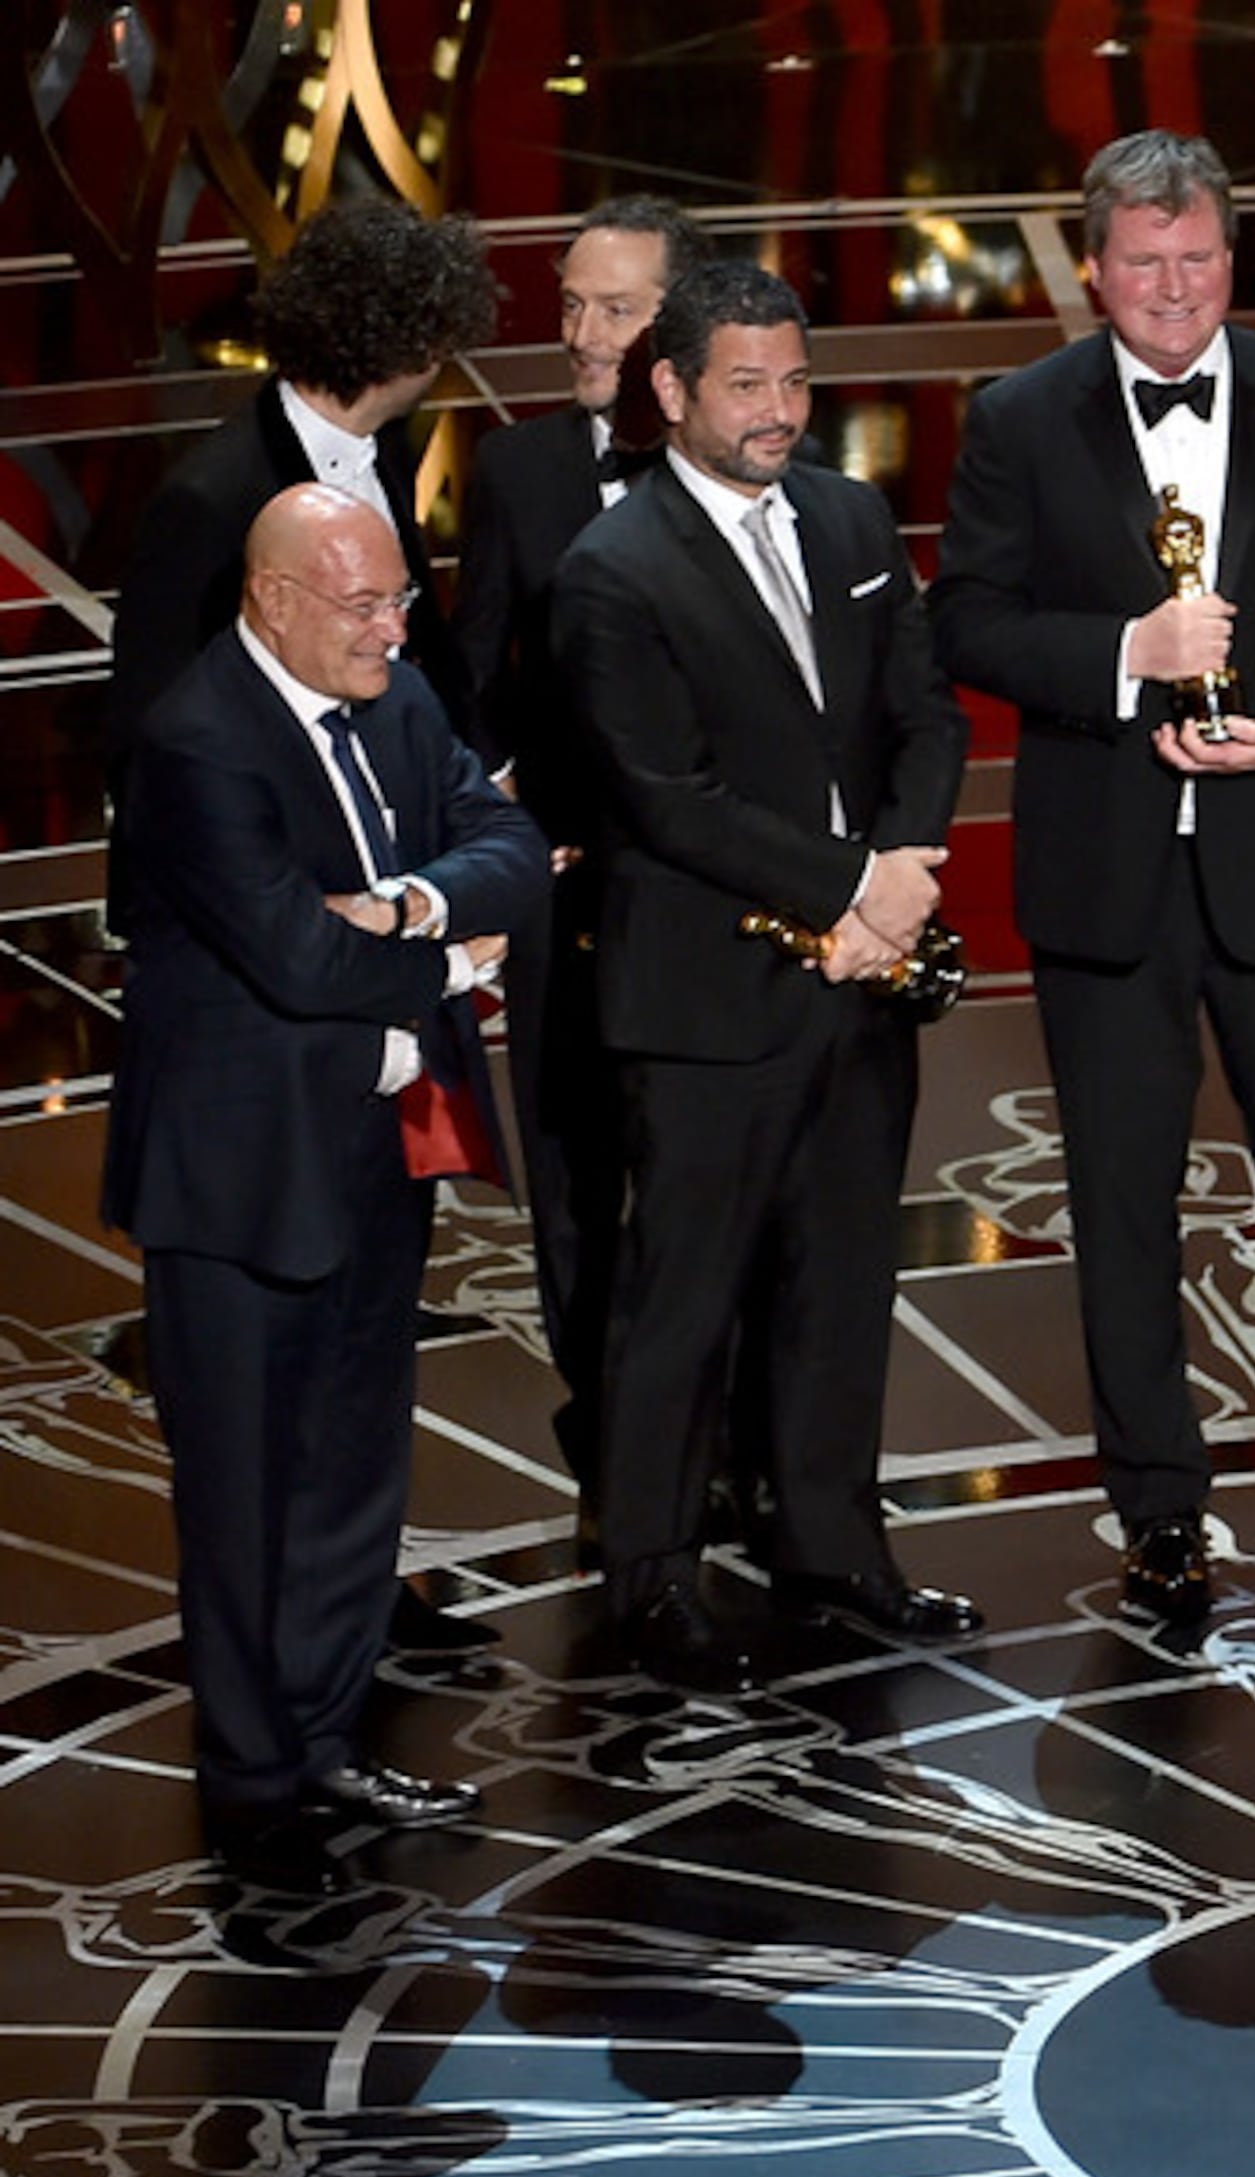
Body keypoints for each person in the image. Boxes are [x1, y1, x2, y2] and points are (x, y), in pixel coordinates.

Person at [932, 129, 1255, 1628]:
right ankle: (1160, 1512)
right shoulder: (1018, 418)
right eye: (1145, 263)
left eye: (1199, 259)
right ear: (1094, 267)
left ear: (1234, 256)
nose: (1174, 288)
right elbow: (965, 620)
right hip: (1107, 892)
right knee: (1125, 1213)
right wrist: (1122, 658)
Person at [100, 486, 548, 1890]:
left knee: (355, 1467)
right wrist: (455, 958)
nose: (391, 628)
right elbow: (294, 961)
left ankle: (327, 1731)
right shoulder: (195, 744)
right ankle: (251, 1782)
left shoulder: (398, 694)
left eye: (401, 599)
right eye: (360, 605)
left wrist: (416, 906)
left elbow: (512, 849)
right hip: (238, 1180)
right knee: (245, 1493)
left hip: (373, 1150)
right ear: (273, 598)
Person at [554, 259, 981, 1684]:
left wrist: (904, 870)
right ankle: (654, 1579)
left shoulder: (854, 518)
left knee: (842, 1280)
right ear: (670, 391)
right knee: (683, 1299)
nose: (781, 410)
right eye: (749, 384)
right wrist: (857, 886)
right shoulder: (612, 571)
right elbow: (665, 796)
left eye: (795, 381)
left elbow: (925, 713)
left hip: (860, 986)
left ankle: (833, 1547)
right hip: (706, 1006)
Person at [103, 194, 508, 1661]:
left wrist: (433, 882)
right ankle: (283, 1699)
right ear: (403, 341)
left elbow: (415, 715)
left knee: (349, 1375)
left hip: (369, 1000)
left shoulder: (372, 465)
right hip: (253, 1022)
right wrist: (394, 929)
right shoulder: (221, 501)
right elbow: (157, 752)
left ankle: (342, 1628)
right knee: (264, 1403)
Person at [453, 195, 716, 1510]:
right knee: (572, 1177)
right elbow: (472, 692)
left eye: (612, 308)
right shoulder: (516, 475)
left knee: (710, 1171)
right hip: (567, 896)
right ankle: (613, 1437)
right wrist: (504, 820)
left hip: (716, 898)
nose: (578, 333)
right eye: (567, 303)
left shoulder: (755, 462)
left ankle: (727, 1442)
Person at [103, 197, 500, 765]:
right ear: (417, 348)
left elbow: (424, 644)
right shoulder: (207, 500)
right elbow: (150, 719)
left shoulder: (386, 445)